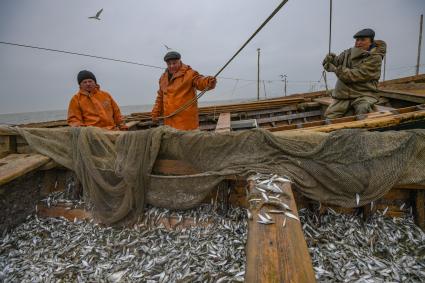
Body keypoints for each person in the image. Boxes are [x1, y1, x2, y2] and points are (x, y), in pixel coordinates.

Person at [322, 28, 387, 118]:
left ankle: (364, 130)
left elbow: (356, 75)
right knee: (329, 117)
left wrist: (335, 69)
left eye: (363, 40)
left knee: (362, 110)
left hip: (364, 94)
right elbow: (336, 62)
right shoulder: (348, 53)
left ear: (371, 42)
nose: (358, 42)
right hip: (344, 96)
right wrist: (330, 59)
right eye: (357, 40)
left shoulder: (375, 58)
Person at [151, 51, 217, 130]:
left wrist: (208, 81)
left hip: (187, 124)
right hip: (169, 124)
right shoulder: (163, 78)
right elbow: (160, 97)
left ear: (180, 61)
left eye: (174, 63)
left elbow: (199, 81)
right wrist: (155, 113)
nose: (171, 66)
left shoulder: (190, 73)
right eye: (169, 64)